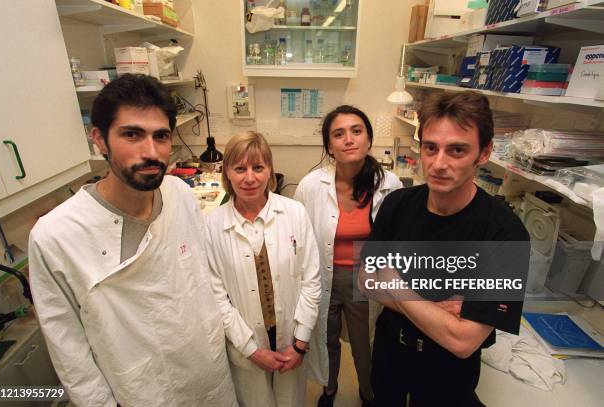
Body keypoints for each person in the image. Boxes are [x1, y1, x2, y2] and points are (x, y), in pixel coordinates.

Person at [29, 74, 237, 407]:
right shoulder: (56, 236)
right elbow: (71, 354)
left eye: (161, 136)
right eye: (132, 134)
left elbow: (204, 281)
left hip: (208, 374)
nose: (151, 152)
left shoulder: (180, 194)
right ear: (99, 139)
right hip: (142, 391)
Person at [359, 91, 530, 406]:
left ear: (484, 152)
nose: (439, 164)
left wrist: (394, 283)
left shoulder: (505, 234)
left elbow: (462, 341)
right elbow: (366, 280)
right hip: (388, 361)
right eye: (430, 148)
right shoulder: (397, 204)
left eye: (457, 150)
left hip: (447, 378)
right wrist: (437, 310)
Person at [294, 105, 402, 406]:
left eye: (357, 131)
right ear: (329, 146)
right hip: (322, 275)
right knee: (325, 339)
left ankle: (369, 393)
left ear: (368, 139)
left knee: (364, 343)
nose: (349, 139)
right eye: (338, 134)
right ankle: (329, 390)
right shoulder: (311, 185)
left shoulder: (389, 184)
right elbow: (298, 236)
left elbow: (396, 240)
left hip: (365, 278)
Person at [205, 131, 322, 407]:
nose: (249, 178)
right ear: (227, 173)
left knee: (291, 402)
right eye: (240, 168)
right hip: (246, 345)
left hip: (291, 342)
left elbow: (311, 281)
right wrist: (250, 349)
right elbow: (216, 297)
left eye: (258, 167)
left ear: (270, 170)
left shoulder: (295, 213)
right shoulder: (212, 225)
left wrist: (299, 344)